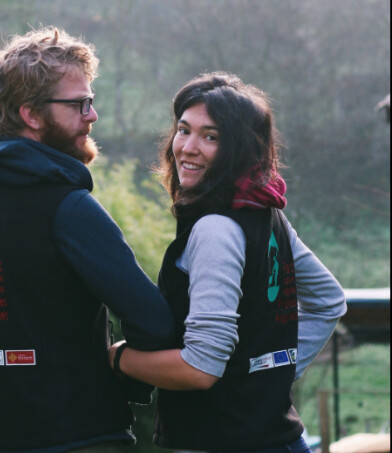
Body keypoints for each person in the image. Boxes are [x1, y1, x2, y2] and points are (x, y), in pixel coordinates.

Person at [0, 27, 175, 453]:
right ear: (31, 115)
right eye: (79, 104)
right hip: (86, 440)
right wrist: (119, 368)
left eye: (90, 101)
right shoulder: (70, 209)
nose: (92, 115)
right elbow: (154, 323)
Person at [109, 72, 347, 453]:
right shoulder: (267, 215)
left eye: (211, 137)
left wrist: (118, 357)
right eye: (184, 130)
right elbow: (329, 301)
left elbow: (201, 368)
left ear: (239, 149)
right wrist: (269, 377)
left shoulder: (216, 230)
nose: (187, 147)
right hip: (281, 439)